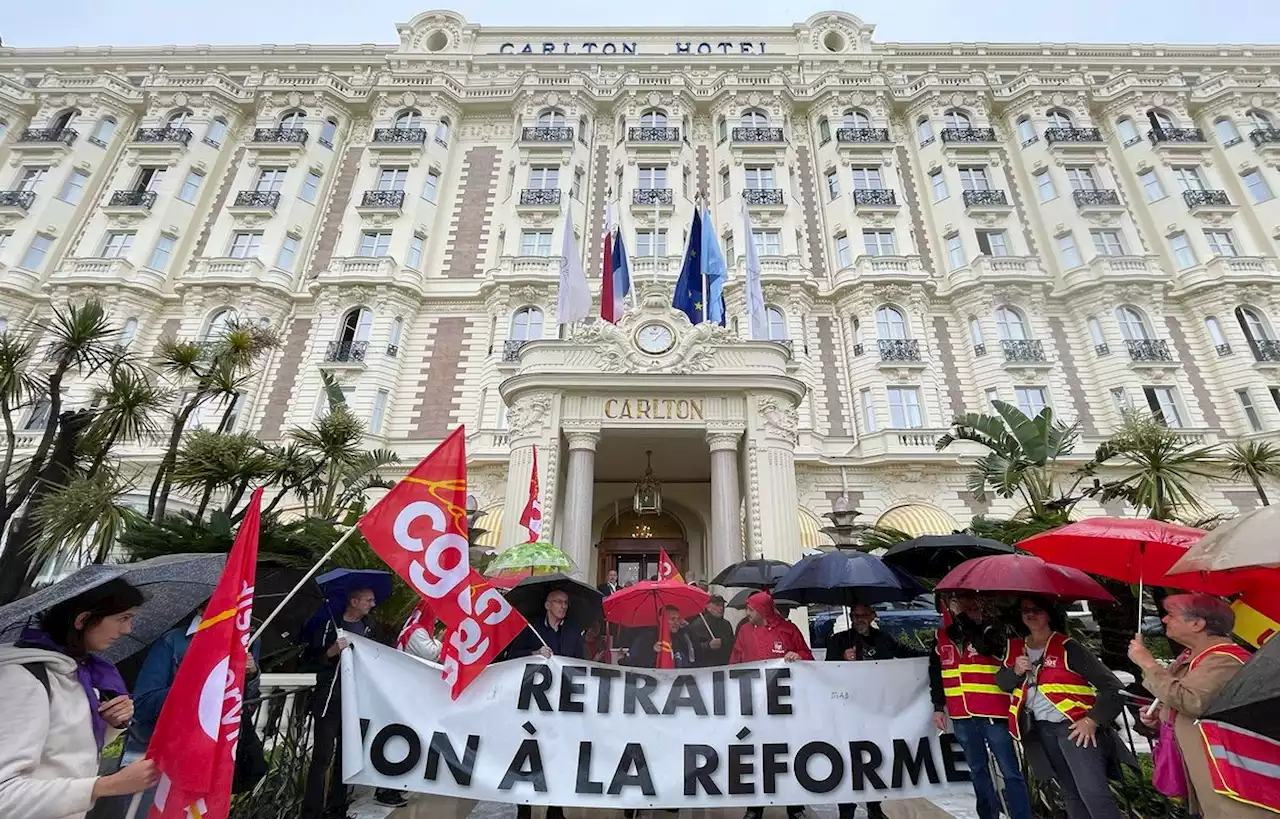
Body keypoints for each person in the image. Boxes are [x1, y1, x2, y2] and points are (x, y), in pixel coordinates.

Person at [0, 578, 159, 819]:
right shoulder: (24, 679)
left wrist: (111, 723)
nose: (128, 630)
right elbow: (4, 794)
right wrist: (107, 785)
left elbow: (63, 754)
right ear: (83, 620)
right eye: (122, 618)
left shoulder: (80, 673)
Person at [1129, 592, 1269, 819]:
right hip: (1213, 781)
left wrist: (1147, 662)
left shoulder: (1224, 660)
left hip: (1236, 787)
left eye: (1171, 615)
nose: (1164, 620)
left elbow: (1191, 701)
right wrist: (1162, 720)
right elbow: (1191, 709)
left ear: (1197, 623)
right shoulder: (1195, 659)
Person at [118, 612, 263, 815]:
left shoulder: (248, 641)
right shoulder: (173, 641)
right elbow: (144, 705)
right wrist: (202, 678)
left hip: (208, 761)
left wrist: (252, 675)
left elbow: (243, 704)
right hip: (157, 760)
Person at [997, 597, 1130, 819]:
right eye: (1025, 610)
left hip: (1074, 729)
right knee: (1070, 794)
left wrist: (1092, 720)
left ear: (1049, 614)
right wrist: (1015, 671)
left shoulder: (1068, 647)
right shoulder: (1016, 648)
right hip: (1040, 730)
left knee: (1093, 794)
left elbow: (1113, 688)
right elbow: (1003, 683)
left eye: (1036, 609)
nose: (1030, 614)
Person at [928, 592, 1031, 819]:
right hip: (961, 713)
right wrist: (938, 706)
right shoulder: (942, 635)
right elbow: (936, 673)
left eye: (971, 608)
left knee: (1010, 771)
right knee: (977, 771)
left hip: (993, 711)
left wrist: (963, 617)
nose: (967, 612)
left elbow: (987, 647)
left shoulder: (990, 629)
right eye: (961, 607)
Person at [301, 586, 402, 818]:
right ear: (354, 601)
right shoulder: (329, 625)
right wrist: (332, 651)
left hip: (356, 700)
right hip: (330, 699)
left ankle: (338, 806)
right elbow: (310, 661)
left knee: (346, 756)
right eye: (368, 600)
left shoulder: (371, 628)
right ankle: (311, 811)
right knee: (322, 756)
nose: (372, 604)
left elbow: (380, 655)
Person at [826, 603, 922, 819]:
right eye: (855, 615)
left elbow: (906, 654)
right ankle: (846, 810)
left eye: (863, 615)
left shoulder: (883, 639)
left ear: (872, 616)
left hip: (877, 710)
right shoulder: (838, 641)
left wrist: (933, 655)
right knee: (848, 760)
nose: (858, 619)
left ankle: (874, 806)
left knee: (876, 758)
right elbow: (825, 672)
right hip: (848, 710)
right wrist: (843, 660)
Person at [730, 591, 813, 819]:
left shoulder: (788, 629)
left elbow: (808, 655)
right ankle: (754, 808)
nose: (746, 613)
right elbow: (735, 661)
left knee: (788, 753)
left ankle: (795, 807)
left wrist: (798, 656)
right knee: (756, 755)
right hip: (755, 707)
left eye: (750, 609)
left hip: (784, 707)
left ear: (762, 610)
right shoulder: (744, 631)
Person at [508, 589, 583, 819]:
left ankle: (555, 808)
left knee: (558, 756)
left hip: (561, 705)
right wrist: (535, 652)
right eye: (559, 602)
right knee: (529, 756)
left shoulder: (573, 631)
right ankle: (524, 808)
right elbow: (511, 655)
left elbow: (582, 662)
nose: (563, 606)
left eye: (566, 603)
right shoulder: (531, 629)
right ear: (547, 605)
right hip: (533, 705)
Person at [626, 606, 696, 668]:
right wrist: (653, 651)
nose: (676, 622)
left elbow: (691, 661)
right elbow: (634, 663)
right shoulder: (645, 638)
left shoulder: (682, 637)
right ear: (661, 619)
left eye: (678, 619)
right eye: (672, 619)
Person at [687, 594, 735, 667]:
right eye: (717, 605)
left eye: (722, 605)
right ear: (708, 606)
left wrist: (724, 643)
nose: (721, 608)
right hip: (705, 667)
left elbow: (732, 644)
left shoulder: (726, 624)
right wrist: (708, 645)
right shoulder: (698, 625)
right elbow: (691, 648)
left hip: (724, 666)